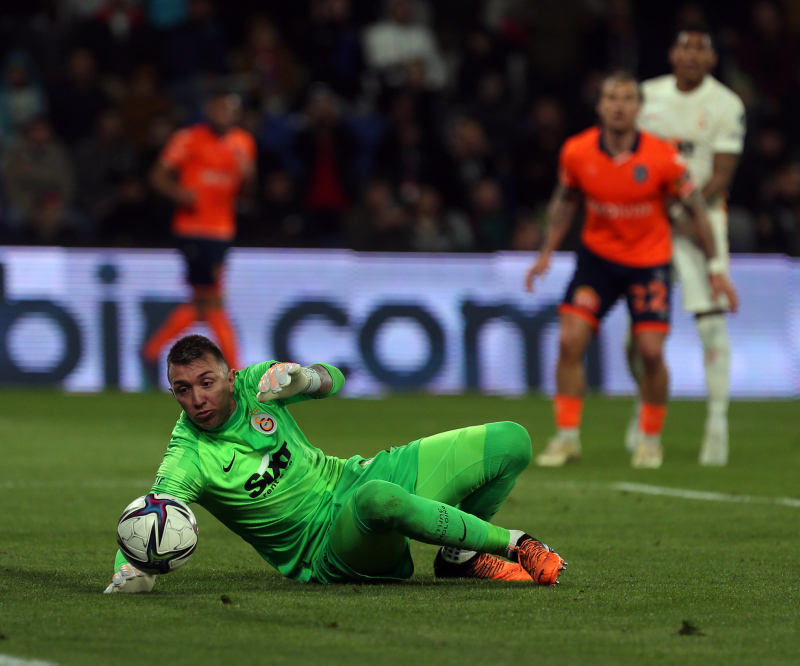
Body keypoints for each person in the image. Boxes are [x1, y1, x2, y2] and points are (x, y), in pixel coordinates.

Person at [104, 334, 566, 592]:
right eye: (182, 390)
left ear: (228, 374)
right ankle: (515, 544)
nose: (197, 399)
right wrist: (133, 567)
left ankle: (460, 557)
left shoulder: (253, 385)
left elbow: (335, 380)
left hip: (355, 475)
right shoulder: (189, 453)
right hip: (326, 549)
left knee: (512, 440)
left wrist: (302, 378)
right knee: (377, 500)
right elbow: (158, 511)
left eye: (206, 382)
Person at [524, 70, 738, 469]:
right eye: (611, 98)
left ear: (639, 108)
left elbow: (697, 211)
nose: (619, 105)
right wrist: (545, 253)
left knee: (651, 352)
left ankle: (650, 439)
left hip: (648, 264)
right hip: (596, 262)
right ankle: (567, 438)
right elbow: (565, 202)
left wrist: (714, 267)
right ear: (600, 106)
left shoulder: (663, 156)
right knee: (570, 342)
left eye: (626, 98)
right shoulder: (577, 151)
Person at [628, 25, 746, 466]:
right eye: (684, 46)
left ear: (712, 59)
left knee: (711, 323)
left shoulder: (725, 104)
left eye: (701, 48)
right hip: (649, 222)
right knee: (639, 332)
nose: (692, 55)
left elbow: (722, 175)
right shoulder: (648, 96)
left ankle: (718, 421)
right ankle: (646, 407)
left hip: (701, 220)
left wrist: (682, 212)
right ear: (672, 55)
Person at [142, 89, 256, 374]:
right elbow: (157, 175)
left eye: (228, 109)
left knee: (204, 301)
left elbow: (246, 193)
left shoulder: (243, 142)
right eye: (218, 108)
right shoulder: (188, 138)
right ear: (208, 109)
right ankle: (237, 371)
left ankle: (151, 351)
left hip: (222, 230)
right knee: (213, 300)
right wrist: (179, 194)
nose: (223, 114)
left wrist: (249, 176)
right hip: (193, 229)